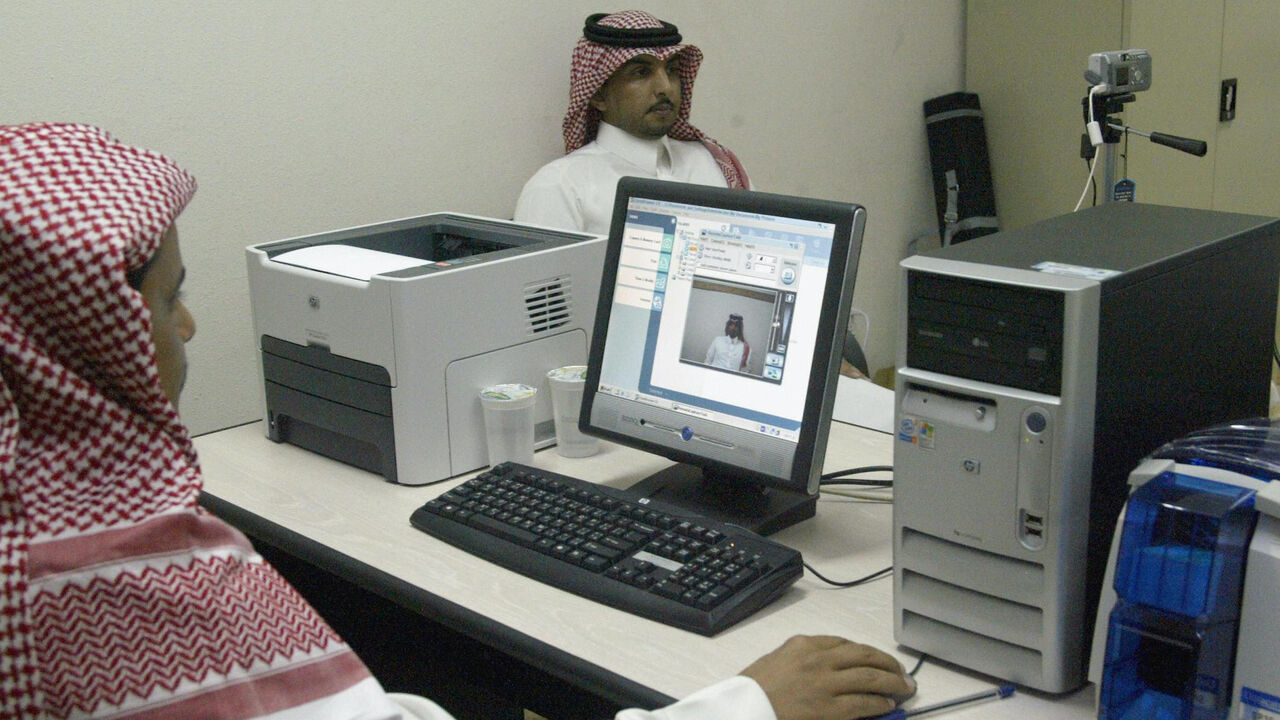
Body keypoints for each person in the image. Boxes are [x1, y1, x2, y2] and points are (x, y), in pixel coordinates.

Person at [0, 123, 911, 719]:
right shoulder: (123, 588)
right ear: (83, 337)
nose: (190, 324)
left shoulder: (42, 541)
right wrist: (748, 705)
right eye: (170, 300)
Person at [513, 10, 750, 236]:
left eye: (672, 70)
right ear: (598, 95)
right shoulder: (560, 187)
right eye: (640, 73)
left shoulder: (714, 164)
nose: (665, 87)